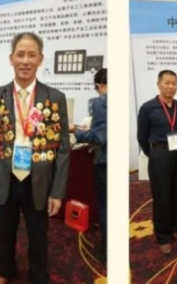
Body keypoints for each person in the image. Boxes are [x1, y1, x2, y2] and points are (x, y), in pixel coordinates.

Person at [0, 32, 70, 284]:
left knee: (38, 233)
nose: (25, 61)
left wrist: (57, 192)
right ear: (11, 58)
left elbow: (63, 149)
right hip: (5, 176)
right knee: (4, 230)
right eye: (20, 54)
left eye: (31, 55)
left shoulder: (55, 98)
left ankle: (39, 274)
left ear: (40, 59)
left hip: (39, 179)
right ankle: (5, 270)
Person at [137, 70, 177, 255]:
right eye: (167, 83)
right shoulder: (148, 107)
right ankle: (162, 235)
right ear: (158, 84)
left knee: (175, 192)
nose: (171, 87)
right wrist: (154, 154)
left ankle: (173, 227)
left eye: (174, 83)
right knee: (161, 196)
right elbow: (141, 136)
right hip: (159, 153)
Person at [69, 68, 107, 257]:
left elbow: (98, 137)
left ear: (99, 85)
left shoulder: (101, 102)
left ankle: (107, 248)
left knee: (105, 205)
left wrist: (74, 130)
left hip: (104, 161)